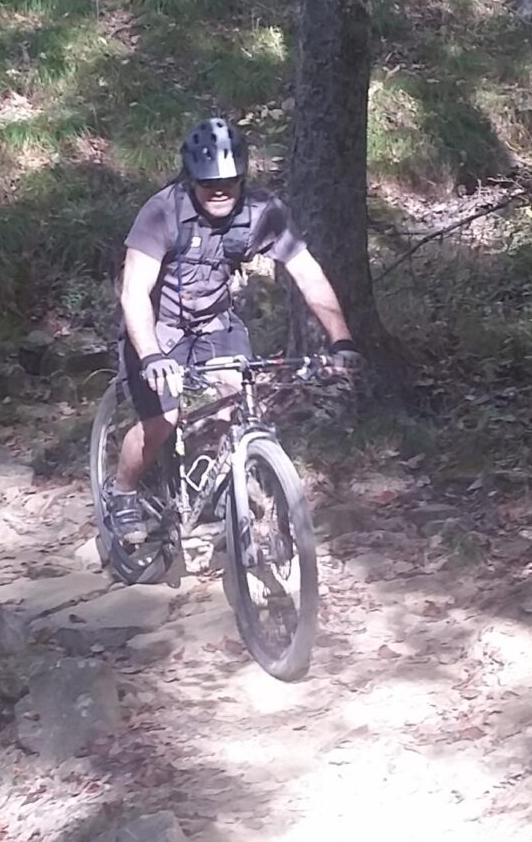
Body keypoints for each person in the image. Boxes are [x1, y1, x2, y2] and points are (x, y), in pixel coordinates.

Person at [106, 116, 363, 540]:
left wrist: (341, 339)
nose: (220, 190)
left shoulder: (263, 212)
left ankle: (228, 489)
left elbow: (308, 274)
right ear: (191, 180)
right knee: (164, 418)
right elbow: (134, 291)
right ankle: (123, 492)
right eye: (209, 183)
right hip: (157, 326)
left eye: (230, 180)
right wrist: (151, 355)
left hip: (214, 321)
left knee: (235, 399)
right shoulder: (162, 211)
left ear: (244, 175)